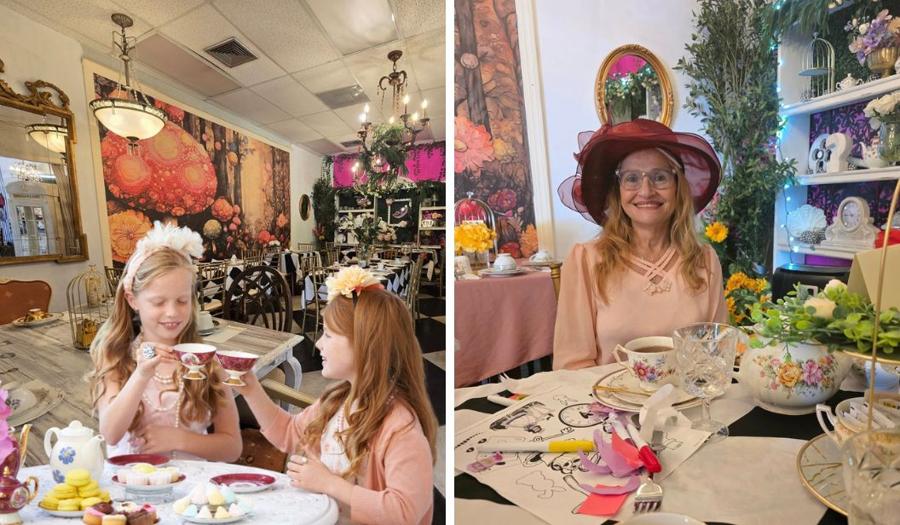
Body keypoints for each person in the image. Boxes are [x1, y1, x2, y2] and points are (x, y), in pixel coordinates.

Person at [235, 266, 436, 525]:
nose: (318, 343)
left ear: (366, 346)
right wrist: (250, 387)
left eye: (328, 334)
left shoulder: (400, 427)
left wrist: (329, 483)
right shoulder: (338, 402)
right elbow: (288, 433)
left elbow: (404, 513)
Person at [554, 118, 728, 369]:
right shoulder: (586, 261)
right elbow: (572, 365)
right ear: (617, 191)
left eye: (660, 177)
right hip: (606, 395)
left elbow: (717, 354)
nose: (646, 191)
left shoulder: (705, 259)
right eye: (632, 178)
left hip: (688, 393)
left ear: (678, 187)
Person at [87, 222, 242, 461]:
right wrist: (141, 375)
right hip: (130, 482)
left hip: (193, 483)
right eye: (158, 302)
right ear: (132, 300)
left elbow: (232, 448)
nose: (172, 312)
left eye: (182, 301)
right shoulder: (116, 356)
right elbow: (111, 434)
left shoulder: (209, 363)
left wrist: (179, 439)